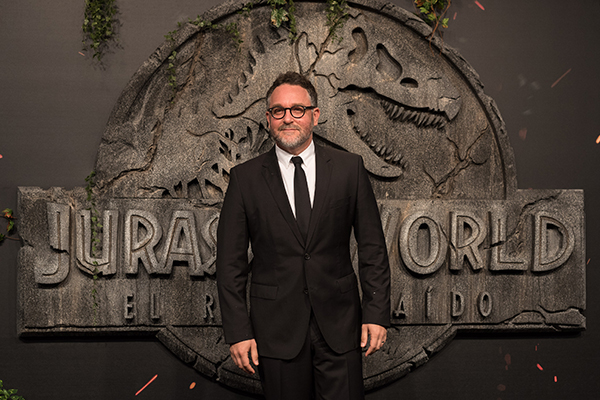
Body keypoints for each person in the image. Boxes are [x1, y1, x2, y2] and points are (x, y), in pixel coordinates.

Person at [216, 71, 390, 400]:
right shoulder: (244, 179)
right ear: (268, 118)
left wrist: (376, 313)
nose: (287, 118)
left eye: (297, 109)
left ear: (315, 115)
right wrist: (237, 331)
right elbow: (229, 264)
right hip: (275, 330)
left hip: (341, 326)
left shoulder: (349, 168)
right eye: (278, 111)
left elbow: (373, 248)